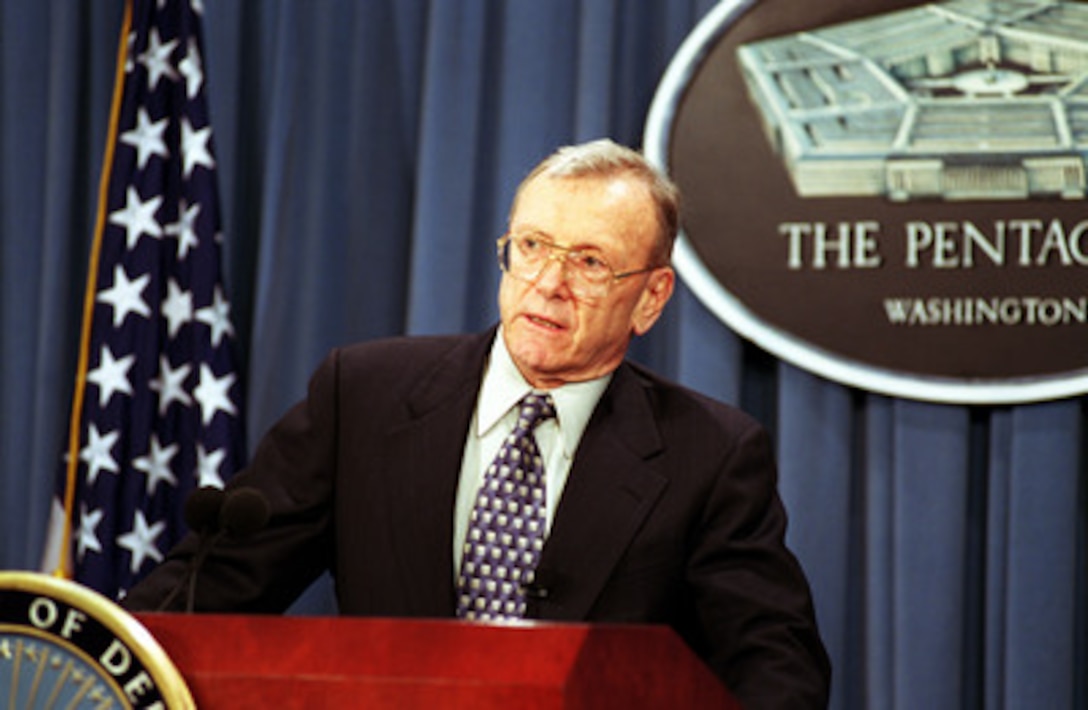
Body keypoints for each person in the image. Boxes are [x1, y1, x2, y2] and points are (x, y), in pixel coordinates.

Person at [124, 139, 831, 707]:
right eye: (532, 247)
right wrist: (90, 653)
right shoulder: (364, 396)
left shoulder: (709, 453)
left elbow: (776, 666)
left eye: (589, 262)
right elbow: (211, 590)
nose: (548, 283)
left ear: (649, 299)